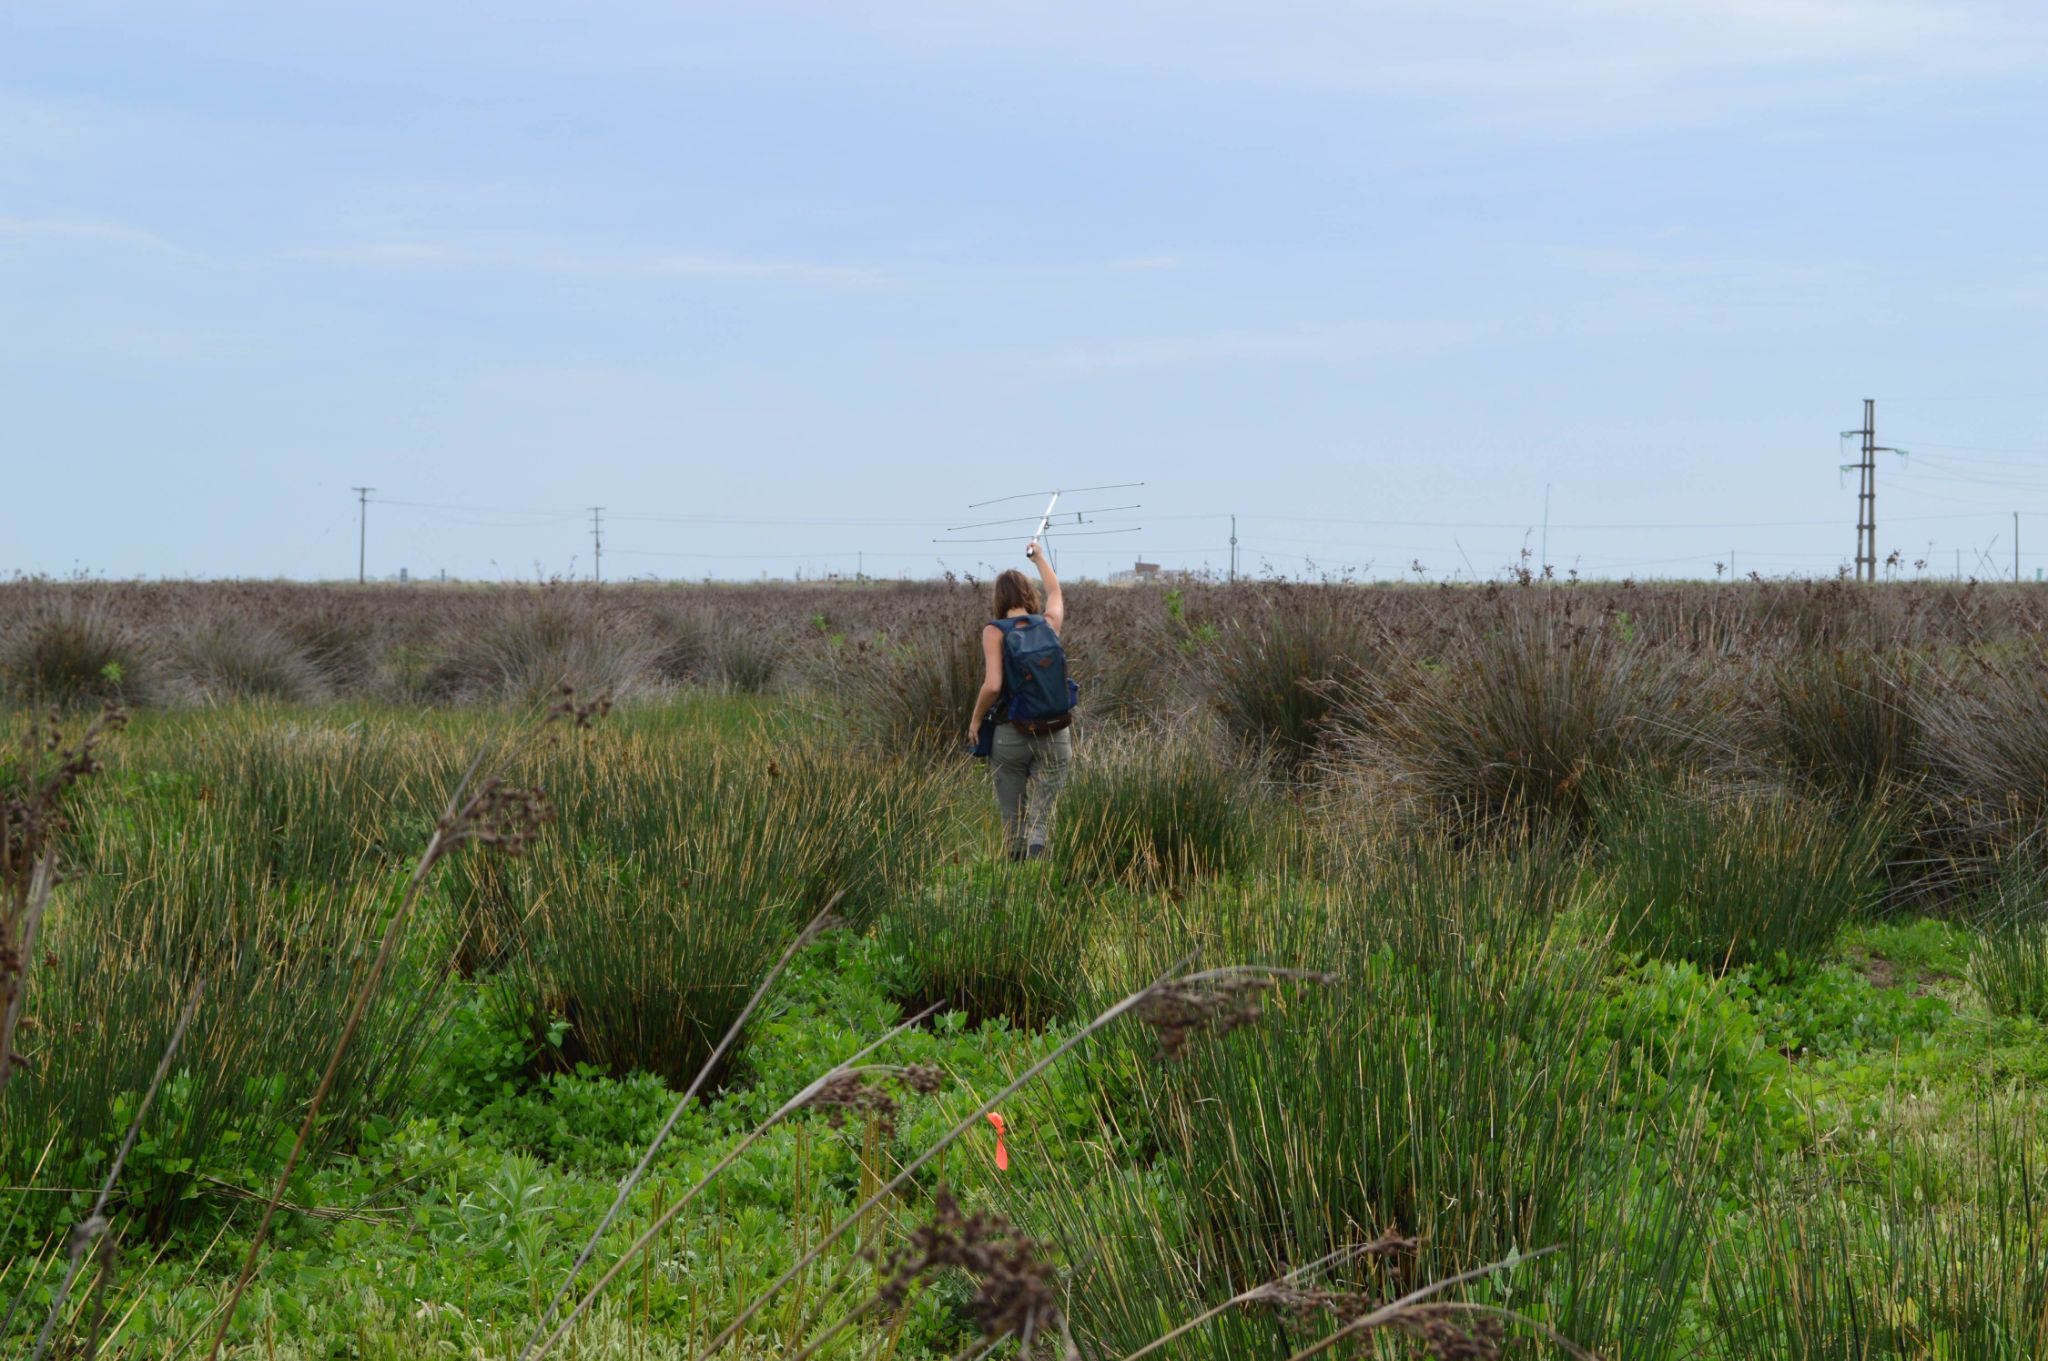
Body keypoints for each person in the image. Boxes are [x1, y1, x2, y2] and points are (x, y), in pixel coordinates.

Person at [967, 541, 1070, 860]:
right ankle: (1040, 851)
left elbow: (993, 686)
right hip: (1056, 733)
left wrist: (975, 720)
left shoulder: (994, 631)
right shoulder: (1049, 624)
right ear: (1029, 594)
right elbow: (1055, 593)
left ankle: (1016, 870)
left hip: (1011, 734)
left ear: (998, 599)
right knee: (1044, 810)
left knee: (1012, 812)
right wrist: (1039, 558)